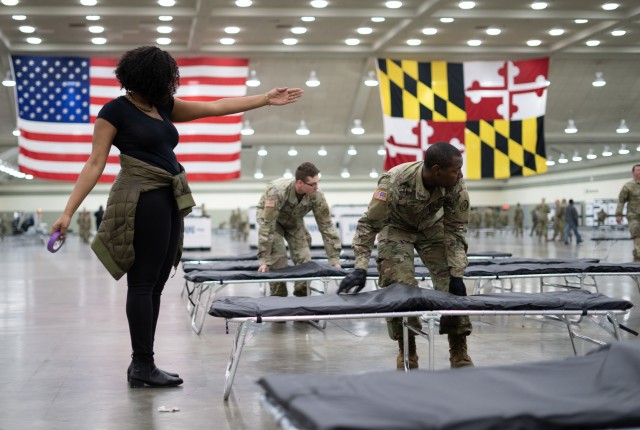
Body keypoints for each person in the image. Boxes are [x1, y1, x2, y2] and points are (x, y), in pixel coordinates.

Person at [50, 45, 302, 388]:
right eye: (168, 76)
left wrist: (264, 99)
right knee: (142, 282)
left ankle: (144, 363)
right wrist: (67, 212)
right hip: (141, 198)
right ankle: (141, 363)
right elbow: (95, 162)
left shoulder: (163, 107)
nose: (173, 82)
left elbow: (214, 108)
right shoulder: (115, 112)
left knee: (155, 283)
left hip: (168, 197)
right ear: (149, 77)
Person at [337, 142, 472, 370]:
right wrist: (360, 267)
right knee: (399, 288)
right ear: (437, 170)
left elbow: (456, 231)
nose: (460, 174)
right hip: (396, 228)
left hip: (432, 228)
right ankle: (407, 350)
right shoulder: (394, 181)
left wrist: (457, 274)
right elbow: (369, 224)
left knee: (451, 285)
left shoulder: (456, 186)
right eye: (455, 170)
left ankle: (459, 351)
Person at [256, 162, 342, 297]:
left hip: (294, 221)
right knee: (278, 260)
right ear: (299, 183)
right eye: (312, 184)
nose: (316, 187)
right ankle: (279, 301)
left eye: (317, 183)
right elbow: (267, 225)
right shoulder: (276, 192)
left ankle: (302, 300)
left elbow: (327, 226)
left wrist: (334, 259)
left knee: (305, 259)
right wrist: (265, 259)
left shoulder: (317, 195)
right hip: (273, 221)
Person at [615, 164, 640, 261]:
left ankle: (637, 253)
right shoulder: (628, 186)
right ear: (633, 173)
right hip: (633, 215)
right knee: (637, 234)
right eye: (638, 170)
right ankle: (638, 254)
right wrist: (618, 214)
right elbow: (621, 200)